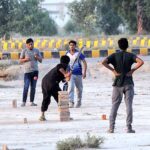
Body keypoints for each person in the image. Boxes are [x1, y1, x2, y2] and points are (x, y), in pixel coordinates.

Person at [102, 38, 144, 133]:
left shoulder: (114, 55)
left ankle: (111, 128)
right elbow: (141, 62)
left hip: (117, 83)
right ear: (127, 45)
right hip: (128, 83)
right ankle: (129, 128)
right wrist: (132, 70)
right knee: (129, 106)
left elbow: (103, 62)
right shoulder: (130, 55)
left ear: (119, 45)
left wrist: (113, 70)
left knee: (114, 105)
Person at [39, 55, 71, 121]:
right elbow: (60, 68)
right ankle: (65, 115)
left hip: (44, 82)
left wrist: (69, 75)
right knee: (61, 98)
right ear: (68, 62)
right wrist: (65, 74)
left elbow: (65, 80)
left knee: (46, 98)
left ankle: (42, 115)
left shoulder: (62, 68)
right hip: (53, 83)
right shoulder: (61, 65)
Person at [20, 38, 42, 107]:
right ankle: (23, 102)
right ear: (26, 45)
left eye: (32, 44)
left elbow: (41, 60)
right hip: (27, 72)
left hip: (35, 72)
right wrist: (25, 59)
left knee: (33, 87)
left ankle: (32, 102)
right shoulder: (24, 51)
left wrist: (37, 57)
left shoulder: (37, 50)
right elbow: (20, 61)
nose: (31, 45)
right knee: (26, 87)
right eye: (29, 44)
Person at [66, 40, 87, 108]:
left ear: (75, 46)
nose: (72, 46)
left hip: (78, 74)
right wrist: (66, 74)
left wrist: (84, 72)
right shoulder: (67, 53)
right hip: (70, 74)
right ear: (69, 46)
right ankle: (71, 102)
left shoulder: (79, 53)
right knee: (70, 88)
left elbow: (84, 63)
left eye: (73, 45)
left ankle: (79, 102)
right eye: (70, 45)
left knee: (79, 89)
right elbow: (65, 64)